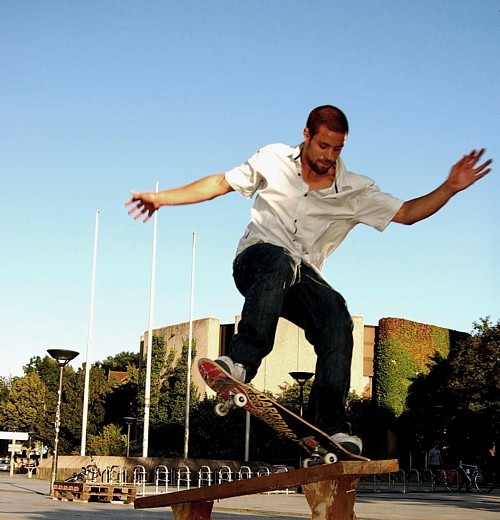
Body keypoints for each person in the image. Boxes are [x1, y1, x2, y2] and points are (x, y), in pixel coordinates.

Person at [126, 105, 491, 454]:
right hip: (256, 263)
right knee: (280, 259)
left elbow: (408, 213)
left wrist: (450, 188)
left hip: (302, 280)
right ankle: (240, 363)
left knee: (337, 315)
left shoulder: (355, 191)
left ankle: (330, 424)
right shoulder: (271, 158)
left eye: (338, 148)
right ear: (306, 135)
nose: (329, 156)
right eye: (323, 145)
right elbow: (220, 183)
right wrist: (162, 199)